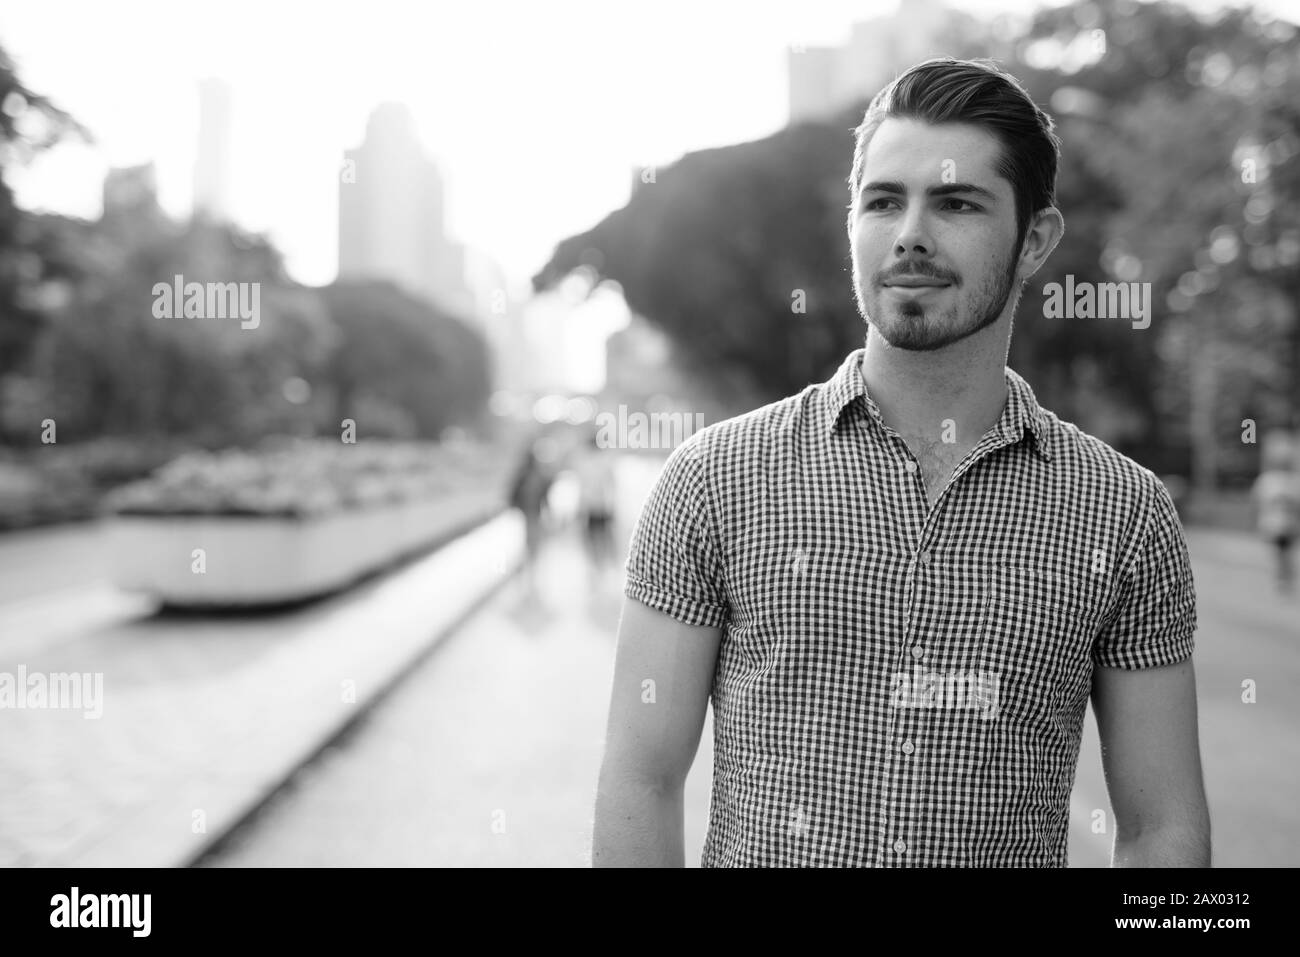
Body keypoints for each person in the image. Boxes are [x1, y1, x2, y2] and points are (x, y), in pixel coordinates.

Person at [593, 57, 1210, 867]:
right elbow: (642, 777)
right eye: (884, 201)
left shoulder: (1123, 513)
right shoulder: (715, 478)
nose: (910, 232)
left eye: (956, 203)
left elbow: (1162, 827)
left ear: (1034, 241)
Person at [1251, 435, 1299, 593]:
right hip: (1273, 524)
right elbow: (1257, 502)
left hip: (1288, 523)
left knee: (1285, 554)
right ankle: (1281, 579)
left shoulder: (1292, 480)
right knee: (1280, 554)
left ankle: (1285, 579)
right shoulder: (1268, 480)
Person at [507, 439, 555, 595]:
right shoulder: (532, 474)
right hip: (530, 512)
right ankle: (525, 569)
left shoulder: (528, 474)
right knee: (531, 543)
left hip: (530, 512)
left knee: (530, 543)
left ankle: (526, 570)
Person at [572, 434, 619, 576]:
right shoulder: (604, 462)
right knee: (603, 538)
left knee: (594, 538)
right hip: (601, 507)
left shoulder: (585, 464)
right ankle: (603, 567)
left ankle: (598, 567)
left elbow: (583, 488)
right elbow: (611, 486)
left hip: (593, 507)